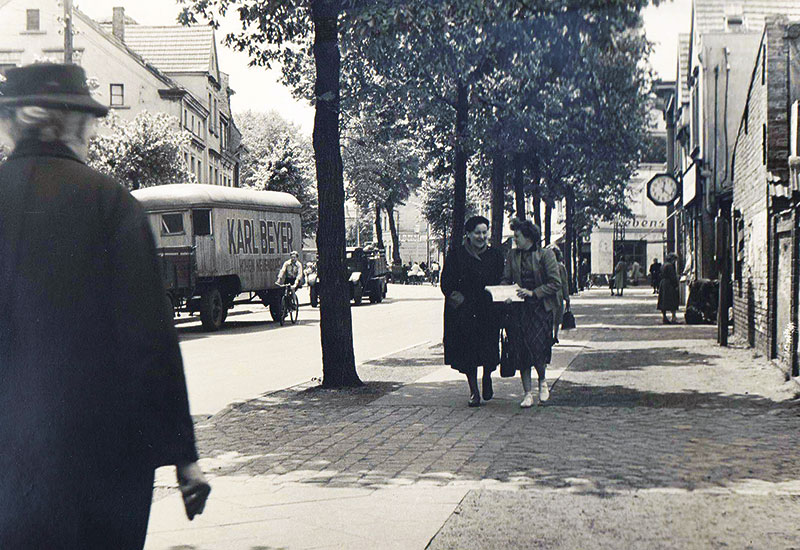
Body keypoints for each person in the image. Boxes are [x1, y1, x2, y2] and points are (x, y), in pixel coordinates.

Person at [0, 63, 209, 549]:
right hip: (101, 462)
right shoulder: (111, 205)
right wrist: (184, 458)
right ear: (71, 124)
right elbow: (150, 339)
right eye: (89, 122)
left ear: (14, 123)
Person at [441, 215, 505, 407]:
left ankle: (487, 376)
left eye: (485, 232)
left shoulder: (495, 255)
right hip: (466, 311)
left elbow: (502, 278)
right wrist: (457, 300)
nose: (482, 236)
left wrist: (501, 292)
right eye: (477, 232)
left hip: (488, 310)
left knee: (489, 349)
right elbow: (446, 282)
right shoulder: (456, 255)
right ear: (468, 234)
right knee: (468, 352)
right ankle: (474, 392)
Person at [502, 218, 561, 408]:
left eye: (517, 236)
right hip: (519, 309)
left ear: (528, 237)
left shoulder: (546, 255)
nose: (515, 239)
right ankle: (527, 393)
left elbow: (555, 283)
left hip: (539, 309)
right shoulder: (512, 255)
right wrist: (505, 292)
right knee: (521, 350)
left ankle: (542, 382)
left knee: (538, 348)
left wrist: (534, 293)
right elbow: (506, 278)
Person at [549, 245, 570, 345]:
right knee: (557, 317)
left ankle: (548, 335)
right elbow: (564, 283)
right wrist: (567, 298)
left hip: (547, 294)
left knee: (549, 316)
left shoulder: (545, 266)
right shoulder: (561, 267)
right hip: (558, 294)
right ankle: (555, 336)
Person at [657, 253, 680, 323]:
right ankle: (673, 317)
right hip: (669, 285)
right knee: (672, 300)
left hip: (663, 283)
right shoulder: (670, 266)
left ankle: (664, 317)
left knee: (663, 301)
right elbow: (672, 276)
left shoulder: (663, 265)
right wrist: (676, 285)